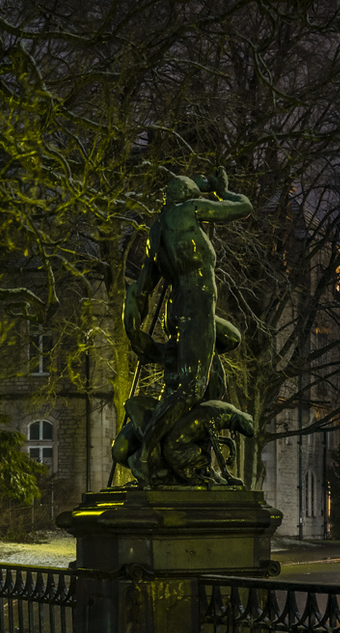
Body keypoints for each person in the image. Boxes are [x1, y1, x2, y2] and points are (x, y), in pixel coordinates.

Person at [118, 168, 254, 486]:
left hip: (182, 311)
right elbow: (243, 206)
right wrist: (221, 191)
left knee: (227, 344)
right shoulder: (188, 210)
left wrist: (135, 331)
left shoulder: (157, 232)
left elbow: (142, 287)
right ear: (189, 198)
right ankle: (147, 454)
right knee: (191, 387)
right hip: (195, 309)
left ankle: (198, 460)